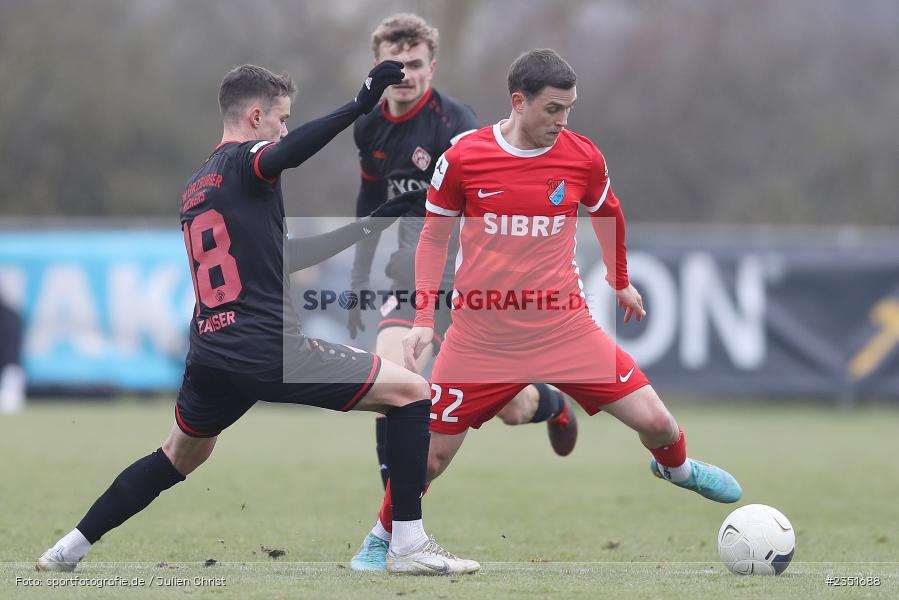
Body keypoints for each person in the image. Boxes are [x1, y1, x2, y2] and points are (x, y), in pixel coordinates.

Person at [36, 62, 478, 576]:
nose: (285, 129)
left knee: (179, 454)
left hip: (210, 352)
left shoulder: (198, 183)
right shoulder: (250, 161)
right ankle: (408, 544)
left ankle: (68, 548)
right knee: (412, 393)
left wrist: (370, 224)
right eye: (282, 119)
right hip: (269, 349)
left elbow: (282, 257)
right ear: (254, 116)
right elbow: (287, 154)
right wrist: (359, 106)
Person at [352, 48, 743, 567]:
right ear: (519, 101)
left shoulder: (582, 157)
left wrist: (621, 282)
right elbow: (432, 240)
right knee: (428, 459)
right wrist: (424, 319)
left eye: (570, 110)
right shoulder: (465, 157)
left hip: (564, 328)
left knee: (659, 424)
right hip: (480, 337)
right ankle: (380, 540)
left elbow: (610, 213)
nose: (563, 121)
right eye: (553, 109)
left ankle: (677, 469)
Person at [347, 13, 577, 534]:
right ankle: (394, 520)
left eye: (414, 64)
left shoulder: (455, 123)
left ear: (433, 66)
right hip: (411, 276)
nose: (403, 74)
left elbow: (493, 200)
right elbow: (368, 203)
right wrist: (361, 273)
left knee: (513, 408)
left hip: (471, 284)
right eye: (393, 64)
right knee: (393, 383)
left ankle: (553, 404)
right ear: (377, 65)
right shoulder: (370, 124)